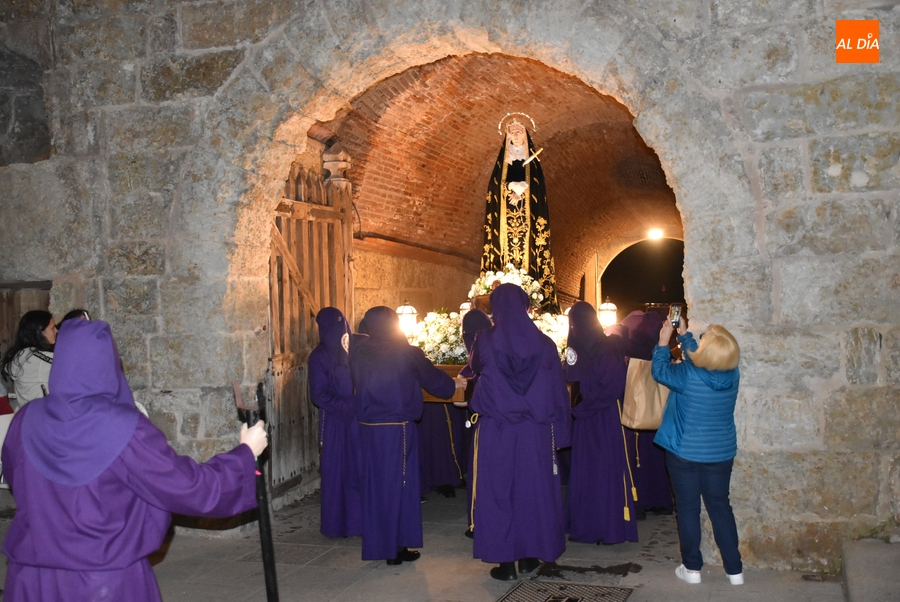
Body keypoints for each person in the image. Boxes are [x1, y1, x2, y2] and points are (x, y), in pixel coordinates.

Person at [1, 318, 267, 601]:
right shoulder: (125, 427)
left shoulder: (26, 418)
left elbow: (18, 479)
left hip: (32, 579)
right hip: (103, 581)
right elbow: (188, 487)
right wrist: (244, 455)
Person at [465, 283, 571, 580]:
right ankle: (529, 555)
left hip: (498, 430)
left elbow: (474, 368)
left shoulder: (484, 340)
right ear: (526, 307)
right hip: (535, 433)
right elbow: (558, 392)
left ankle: (505, 562)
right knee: (532, 493)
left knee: (499, 493)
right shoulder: (546, 344)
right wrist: (561, 435)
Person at [349, 306, 457, 565]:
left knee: (376, 488)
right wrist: (456, 384)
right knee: (401, 488)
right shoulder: (407, 353)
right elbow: (439, 385)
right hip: (398, 430)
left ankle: (379, 545)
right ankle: (395, 548)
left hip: (367, 429)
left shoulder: (358, 352)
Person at [652, 317, 743, 586]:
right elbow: (702, 363)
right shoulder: (733, 374)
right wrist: (685, 337)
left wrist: (663, 339)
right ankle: (734, 570)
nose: (700, 338)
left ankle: (692, 569)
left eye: (704, 337)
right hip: (720, 454)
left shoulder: (686, 375)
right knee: (720, 507)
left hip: (685, 452)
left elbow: (659, 370)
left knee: (688, 509)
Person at [564, 302, 638, 545]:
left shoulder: (606, 348)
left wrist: (583, 407)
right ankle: (586, 524)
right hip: (588, 419)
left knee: (604, 471)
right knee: (587, 472)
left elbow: (612, 386)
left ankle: (607, 528)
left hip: (604, 417)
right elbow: (570, 375)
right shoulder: (579, 346)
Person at [479, 115, 560, 313]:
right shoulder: (501, 164)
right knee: (504, 253)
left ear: (525, 135)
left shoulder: (533, 163)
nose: (515, 134)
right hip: (506, 222)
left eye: (519, 131)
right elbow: (494, 188)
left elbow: (538, 189)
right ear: (507, 136)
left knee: (530, 251)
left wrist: (523, 189)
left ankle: (533, 299)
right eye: (511, 131)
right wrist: (509, 191)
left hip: (528, 224)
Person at [308, 307, 362, 538]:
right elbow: (318, 394)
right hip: (334, 420)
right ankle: (336, 524)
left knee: (357, 469)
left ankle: (358, 522)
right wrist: (347, 408)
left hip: (357, 419)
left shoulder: (354, 352)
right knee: (336, 469)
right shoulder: (319, 357)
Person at [618, 310, 674, 518]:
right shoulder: (662, 349)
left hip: (637, 411)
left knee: (637, 457)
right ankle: (659, 499)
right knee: (656, 459)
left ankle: (639, 500)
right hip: (658, 414)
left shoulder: (630, 349)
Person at [458, 308, 493, 538]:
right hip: (518, 425)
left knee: (482, 474)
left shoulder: (482, 347)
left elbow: (473, 376)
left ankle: (479, 522)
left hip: (488, 424)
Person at [0, 310, 56, 408]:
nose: (57, 331)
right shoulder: (40, 360)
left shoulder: (20, 354)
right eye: (53, 328)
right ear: (40, 332)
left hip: (25, 415)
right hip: (43, 417)